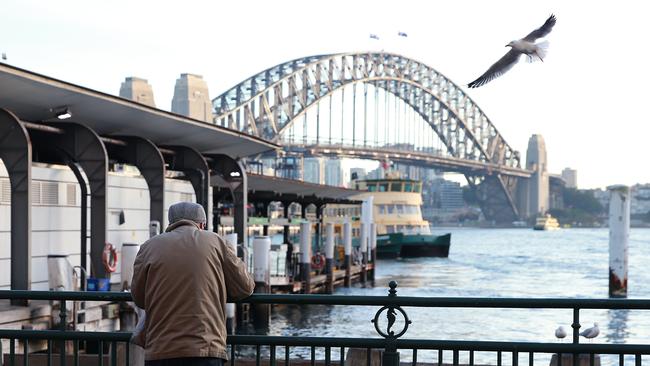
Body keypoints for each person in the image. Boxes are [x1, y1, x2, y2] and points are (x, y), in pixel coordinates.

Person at [132, 202, 254, 366]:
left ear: (170, 224)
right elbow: (245, 287)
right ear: (202, 224)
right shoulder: (216, 242)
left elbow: (139, 298)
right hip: (206, 348)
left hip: (160, 349)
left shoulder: (149, 246)